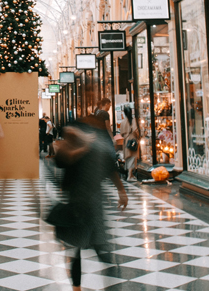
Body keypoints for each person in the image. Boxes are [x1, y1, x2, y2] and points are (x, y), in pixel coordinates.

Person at [50, 119, 128, 291]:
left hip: (91, 204)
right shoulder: (72, 149)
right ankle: (77, 288)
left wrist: (121, 191)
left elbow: (110, 169)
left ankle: (107, 285)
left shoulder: (92, 148)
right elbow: (62, 160)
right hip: (77, 205)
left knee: (98, 248)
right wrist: (83, 146)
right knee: (78, 249)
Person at [119, 105, 139, 181]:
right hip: (132, 139)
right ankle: (129, 176)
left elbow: (121, 133)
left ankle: (130, 174)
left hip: (126, 140)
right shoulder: (133, 120)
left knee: (128, 157)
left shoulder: (123, 122)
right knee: (132, 157)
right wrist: (138, 137)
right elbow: (135, 130)